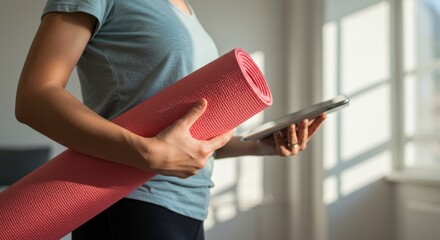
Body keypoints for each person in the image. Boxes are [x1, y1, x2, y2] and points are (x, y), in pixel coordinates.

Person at [15, 0, 326, 239]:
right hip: (127, 205)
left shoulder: (185, 9)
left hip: (190, 211)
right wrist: (149, 154)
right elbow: (35, 97)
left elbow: (181, 138)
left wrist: (260, 146)